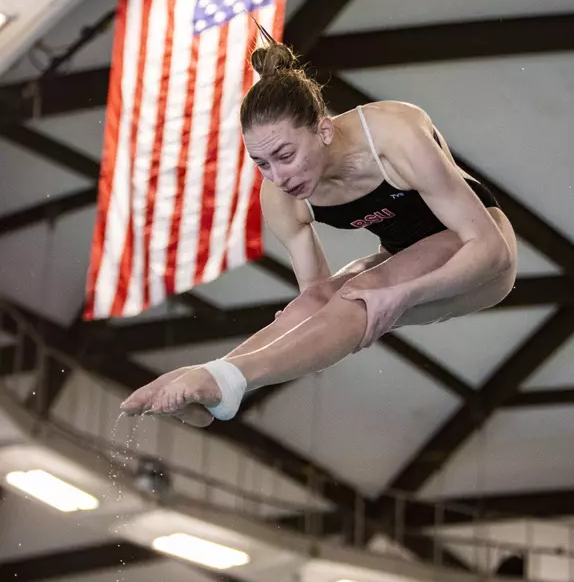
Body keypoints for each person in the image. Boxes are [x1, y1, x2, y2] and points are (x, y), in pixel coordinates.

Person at [120, 36, 517, 426]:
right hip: (403, 258)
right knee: (315, 303)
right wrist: (295, 323)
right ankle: (215, 382)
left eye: (285, 156)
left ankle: (226, 380)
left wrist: (403, 295)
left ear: (323, 131)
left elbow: (490, 250)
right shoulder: (279, 198)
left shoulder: (394, 133)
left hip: (480, 257)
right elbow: (316, 301)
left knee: (362, 295)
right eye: (261, 163)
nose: (278, 176)